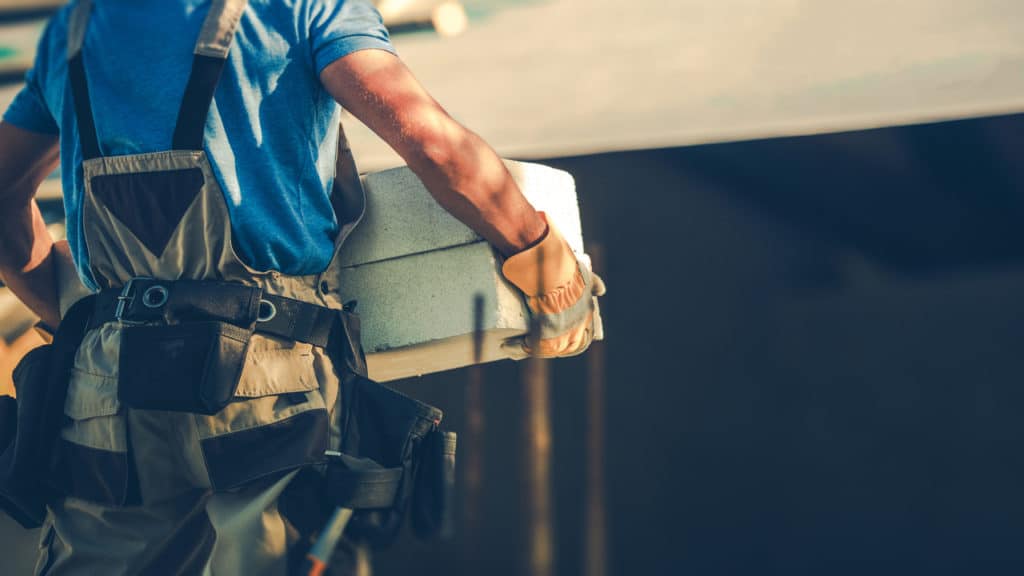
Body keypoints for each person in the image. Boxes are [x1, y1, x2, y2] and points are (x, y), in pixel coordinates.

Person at [0, 0, 602, 573]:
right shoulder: (302, 8)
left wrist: (82, 310)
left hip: (105, 391)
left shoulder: (76, 31)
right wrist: (546, 270)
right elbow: (432, 141)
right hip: (263, 379)